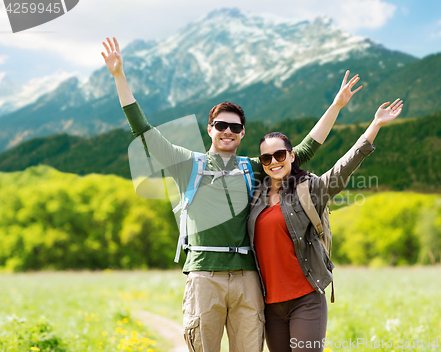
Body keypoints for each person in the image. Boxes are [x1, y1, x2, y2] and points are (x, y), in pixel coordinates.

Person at [101, 36, 363, 351]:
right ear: (210, 129)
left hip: (248, 278)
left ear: (242, 134)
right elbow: (142, 130)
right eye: (221, 125)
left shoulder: (255, 166)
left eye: (235, 127)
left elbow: (303, 150)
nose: (228, 131)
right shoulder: (187, 164)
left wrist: (335, 106)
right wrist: (119, 77)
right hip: (204, 275)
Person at [247, 99, 403, 352]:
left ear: (291, 155)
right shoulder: (255, 196)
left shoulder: (310, 188)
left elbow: (343, 168)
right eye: (266, 157)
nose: (274, 161)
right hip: (269, 304)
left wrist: (375, 125)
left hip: (305, 299)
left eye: (279, 154)